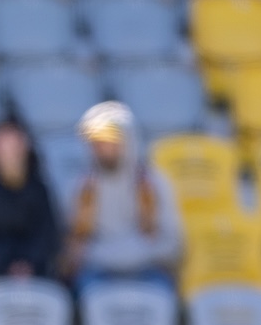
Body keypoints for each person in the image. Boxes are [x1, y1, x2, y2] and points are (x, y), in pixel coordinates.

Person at [61, 101, 182, 299]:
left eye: (112, 140)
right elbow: (72, 249)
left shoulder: (154, 183)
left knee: (161, 292)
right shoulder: (80, 187)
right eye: (98, 142)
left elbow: (173, 244)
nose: (104, 148)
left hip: (147, 268)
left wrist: (136, 253)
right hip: (98, 271)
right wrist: (106, 256)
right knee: (87, 292)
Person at [0, 117, 61, 285]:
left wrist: (27, 263)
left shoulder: (40, 190)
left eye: (15, 145)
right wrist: (7, 264)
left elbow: (48, 235)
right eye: (4, 146)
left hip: (35, 274)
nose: (10, 153)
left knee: (58, 296)